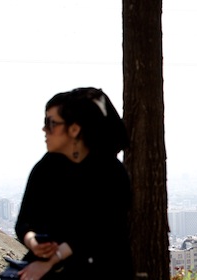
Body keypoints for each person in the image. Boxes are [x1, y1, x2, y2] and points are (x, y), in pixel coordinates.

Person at [14, 87, 133, 280]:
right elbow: (24, 221)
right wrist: (33, 242)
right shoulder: (46, 168)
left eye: (51, 123)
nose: (44, 129)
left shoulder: (111, 173)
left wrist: (51, 260)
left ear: (75, 129)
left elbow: (99, 232)